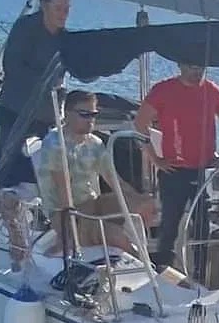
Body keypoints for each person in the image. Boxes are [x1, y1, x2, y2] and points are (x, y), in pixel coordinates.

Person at [0, 0, 71, 225]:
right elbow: (12, 66)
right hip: (17, 109)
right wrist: (44, 81)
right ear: (44, 6)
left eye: (67, 9)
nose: (63, 14)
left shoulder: (66, 38)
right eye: (59, 8)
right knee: (2, 162)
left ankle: (41, 221)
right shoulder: (25, 28)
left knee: (45, 169)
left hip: (47, 114)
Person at [133, 61, 219, 280]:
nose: (196, 71)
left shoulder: (212, 90)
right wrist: (155, 158)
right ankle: (162, 274)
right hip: (174, 171)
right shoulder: (163, 90)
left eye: (199, 67)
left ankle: (200, 276)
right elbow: (140, 123)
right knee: (169, 225)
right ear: (180, 66)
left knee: (203, 227)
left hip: (203, 171)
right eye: (191, 66)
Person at [35, 91, 156, 257]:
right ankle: (143, 265)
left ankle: (148, 251)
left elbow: (115, 180)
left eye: (94, 114)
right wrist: (68, 228)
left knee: (145, 204)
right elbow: (63, 191)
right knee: (115, 235)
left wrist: (139, 199)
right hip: (67, 212)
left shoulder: (95, 143)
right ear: (67, 114)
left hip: (93, 205)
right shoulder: (55, 144)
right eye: (84, 114)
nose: (91, 119)